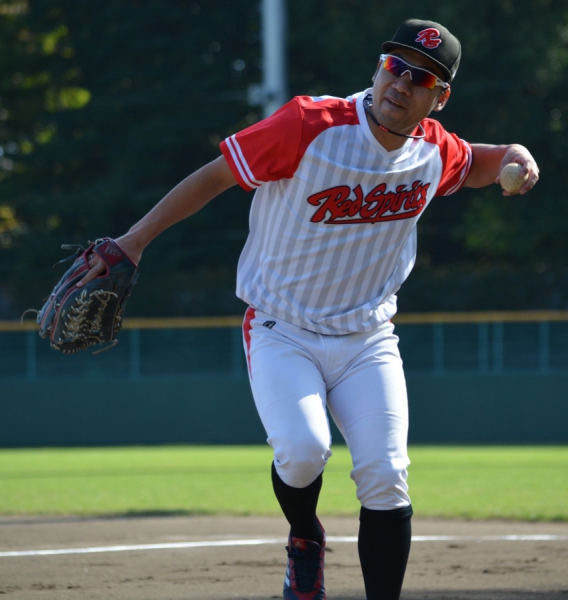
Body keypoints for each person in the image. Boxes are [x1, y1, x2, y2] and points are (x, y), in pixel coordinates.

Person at [78, 18, 539, 600]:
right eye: (395, 66)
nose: (402, 83)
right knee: (301, 452)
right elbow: (217, 176)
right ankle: (305, 536)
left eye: (421, 78)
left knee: (386, 476)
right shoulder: (309, 125)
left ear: (439, 97)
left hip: (368, 337)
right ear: (378, 67)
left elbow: (479, 162)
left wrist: (517, 156)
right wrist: (134, 241)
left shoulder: (432, 149)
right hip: (283, 327)